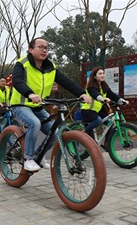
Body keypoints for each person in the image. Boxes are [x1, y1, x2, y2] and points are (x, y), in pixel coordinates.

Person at [11, 37, 91, 172]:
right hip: (21, 104)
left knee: (54, 132)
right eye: (40, 47)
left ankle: (38, 155)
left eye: (46, 47)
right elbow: (17, 81)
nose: (44, 50)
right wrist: (30, 94)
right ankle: (29, 159)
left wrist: (81, 93)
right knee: (34, 123)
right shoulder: (22, 64)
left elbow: (66, 82)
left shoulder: (50, 67)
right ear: (31, 49)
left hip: (38, 106)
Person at [80, 66, 128, 137]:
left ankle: (107, 145)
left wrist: (122, 101)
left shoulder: (104, 86)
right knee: (98, 121)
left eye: (103, 73)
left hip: (98, 111)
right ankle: (83, 133)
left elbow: (112, 95)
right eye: (100, 74)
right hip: (88, 110)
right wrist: (102, 99)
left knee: (110, 125)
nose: (102, 75)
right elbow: (95, 94)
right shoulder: (90, 86)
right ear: (95, 76)